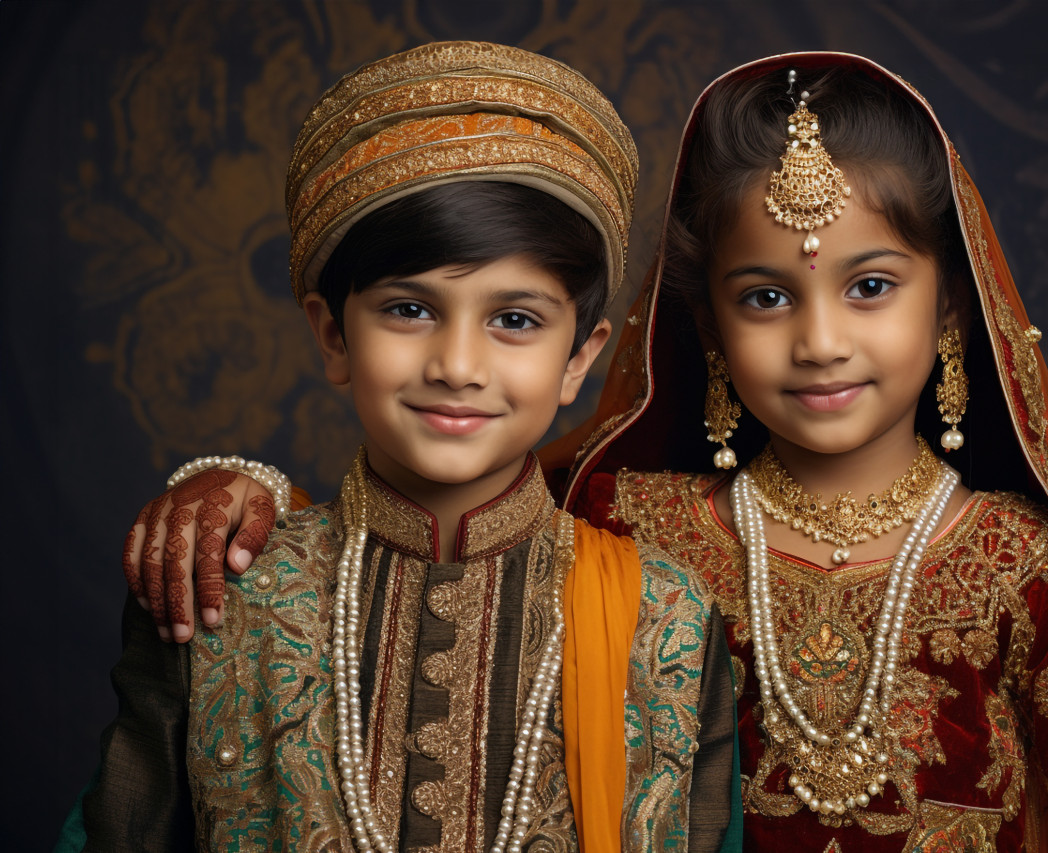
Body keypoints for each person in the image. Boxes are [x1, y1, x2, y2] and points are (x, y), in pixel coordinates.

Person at [122, 53, 1048, 852]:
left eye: (869, 286)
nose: (820, 339)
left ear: (951, 312)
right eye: (766, 295)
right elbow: (440, 516)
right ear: (708, 328)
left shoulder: (1013, 556)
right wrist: (243, 488)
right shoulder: (631, 520)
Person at [70, 41, 737, 853]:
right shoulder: (222, 594)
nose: (457, 365)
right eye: (409, 310)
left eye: (515, 320)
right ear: (332, 335)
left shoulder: (665, 619)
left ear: (579, 359)